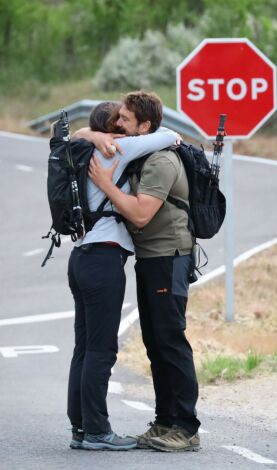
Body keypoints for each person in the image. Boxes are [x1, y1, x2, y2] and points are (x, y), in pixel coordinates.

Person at [86, 91, 201, 452]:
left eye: (124, 119)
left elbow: (139, 214)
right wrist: (92, 135)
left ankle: (186, 427)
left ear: (145, 125)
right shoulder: (146, 153)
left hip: (169, 257)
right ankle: (164, 421)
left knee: (170, 341)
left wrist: (105, 184)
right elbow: (76, 135)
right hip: (152, 259)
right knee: (155, 342)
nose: (117, 124)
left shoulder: (161, 162)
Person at [67, 100, 179, 451]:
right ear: (111, 128)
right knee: (101, 350)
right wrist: (105, 135)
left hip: (80, 256)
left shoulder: (79, 150)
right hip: (103, 259)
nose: (122, 125)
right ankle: (99, 431)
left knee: (84, 349)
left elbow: (72, 136)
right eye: (119, 120)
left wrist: (88, 132)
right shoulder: (116, 148)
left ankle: (81, 429)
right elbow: (171, 135)